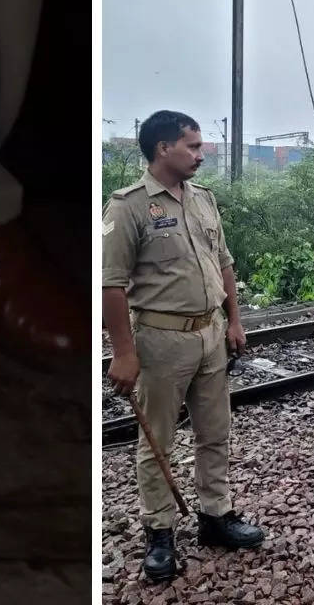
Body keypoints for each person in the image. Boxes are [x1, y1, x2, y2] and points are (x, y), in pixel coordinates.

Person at [101, 110, 264, 582]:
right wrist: (124, 352)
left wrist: (234, 320)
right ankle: (160, 532)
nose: (201, 153)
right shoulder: (127, 206)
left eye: (199, 145)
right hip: (161, 339)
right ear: (162, 149)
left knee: (216, 432)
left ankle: (216, 515)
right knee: (158, 442)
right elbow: (111, 285)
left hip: (211, 334)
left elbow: (224, 262)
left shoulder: (202, 200)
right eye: (192, 146)